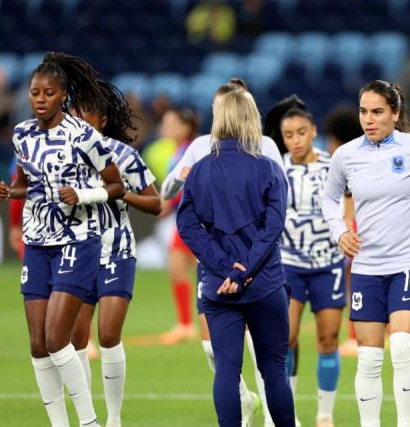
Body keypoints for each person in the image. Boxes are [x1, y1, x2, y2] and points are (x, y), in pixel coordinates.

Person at [0, 52, 126, 427]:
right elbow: (26, 182)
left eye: (48, 93)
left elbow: (116, 185)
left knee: (55, 339)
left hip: (77, 241)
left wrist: (83, 196)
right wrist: (11, 192)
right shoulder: (21, 134)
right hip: (36, 243)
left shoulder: (84, 135)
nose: (39, 99)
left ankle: (89, 422)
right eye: (35, 92)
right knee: (37, 344)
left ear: (62, 95)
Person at [321, 80, 410, 427]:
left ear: (395, 114)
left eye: (378, 112)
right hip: (367, 267)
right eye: (364, 111)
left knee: (400, 349)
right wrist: (340, 231)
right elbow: (328, 199)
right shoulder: (346, 155)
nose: (369, 119)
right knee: (368, 359)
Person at [162, 78, 283, 427]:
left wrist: (243, 263)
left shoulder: (266, 148)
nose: (221, 115)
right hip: (224, 265)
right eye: (217, 109)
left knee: (264, 354)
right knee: (218, 351)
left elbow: (277, 202)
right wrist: (180, 176)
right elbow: (170, 187)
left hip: (254, 263)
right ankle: (245, 401)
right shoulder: (201, 147)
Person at [68, 80, 162, 427]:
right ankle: (86, 418)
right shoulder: (62, 154)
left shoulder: (122, 155)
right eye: (73, 111)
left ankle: (114, 418)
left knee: (107, 335)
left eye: (84, 111)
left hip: (116, 250)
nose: (76, 116)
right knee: (77, 339)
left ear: (102, 120)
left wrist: (122, 195)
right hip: (76, 251)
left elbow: (155, 203)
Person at [265, 95, 344, 427]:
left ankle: (325, 414)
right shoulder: (275, 167)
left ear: (313, 131)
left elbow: (350, 206)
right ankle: (288, 412)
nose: (295, 140)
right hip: (289, 264)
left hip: (329, 264)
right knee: (287, 337)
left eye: (301, 132)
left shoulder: (334, 165)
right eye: (288, 135)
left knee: (328, 339)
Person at [158, 108, 202, 346]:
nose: (166, 128)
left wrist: (167, 202)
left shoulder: (189, 151)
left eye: (171, 122)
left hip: (193, 218)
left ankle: (186, 325)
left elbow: (187, 184)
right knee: (184, 267)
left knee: (181, 266)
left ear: (186, 127)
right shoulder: (177, 151)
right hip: (186, 217)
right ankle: (185, 323)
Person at [323, 107, 363, 358]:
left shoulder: (346, 161)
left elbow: (349, 200)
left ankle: (355, 337)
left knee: (354, 281)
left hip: (357, 226)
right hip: (368, 225)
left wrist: (347, 226)